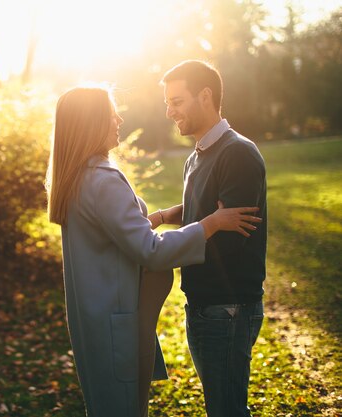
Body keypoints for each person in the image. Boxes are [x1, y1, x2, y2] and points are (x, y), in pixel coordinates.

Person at [44, 84, 261, 417]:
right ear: (92, 122)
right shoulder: (102, 181)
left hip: (99, 316)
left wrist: (160, 217)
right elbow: (151, 252)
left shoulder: (79, 177)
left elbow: (113, 232)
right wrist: (212, 223)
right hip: (119, 322)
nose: (118, 118)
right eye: (110, 112)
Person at [161, 60, 267, 417]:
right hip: (204, 304)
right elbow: (201, 209)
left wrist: (161, 253)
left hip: (228, 307)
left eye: (177, 101)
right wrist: (162, 218)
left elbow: (229, 240)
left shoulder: (237, 153)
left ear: (205, 96)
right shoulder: (198, 154)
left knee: (226, 411)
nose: (169, 111)